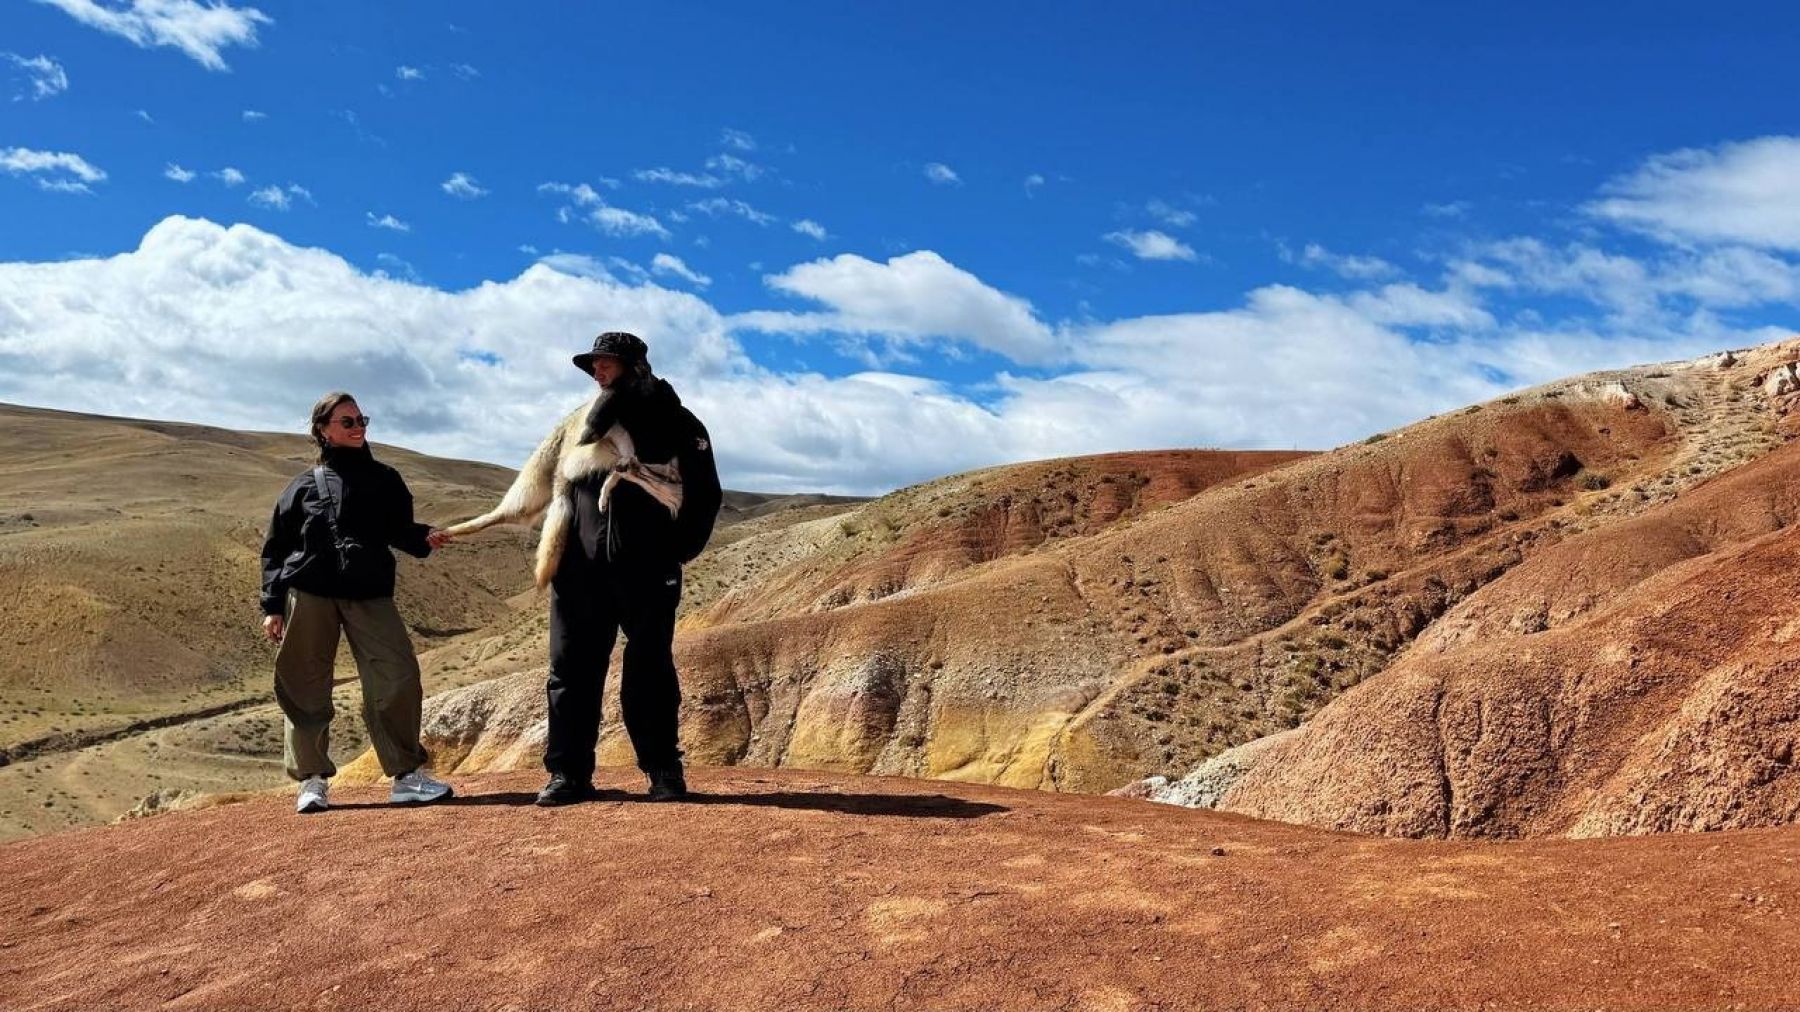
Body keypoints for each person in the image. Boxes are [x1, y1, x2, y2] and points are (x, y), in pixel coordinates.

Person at [439, 331, 721, 805]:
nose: (597, 371)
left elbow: (705, 494)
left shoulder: (679, 423)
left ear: (633, 365)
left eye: (606, 363)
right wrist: (476, 526)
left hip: (648, 569)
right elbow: (537, 485)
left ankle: (662, 771)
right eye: (594, 365)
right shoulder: (576, 426)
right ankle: (568, 774)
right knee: (570, 670)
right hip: (579, 570)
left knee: (650, 667)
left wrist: (674, 552)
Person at [258, 391, 456, 814]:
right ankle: (311, 781)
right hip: (309, 593)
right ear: (323, 430)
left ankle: (406, 776)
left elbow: (398, 530)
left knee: (398, 676)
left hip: (370, 593)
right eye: (347, 421)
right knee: (305, 683)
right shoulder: (302, 487)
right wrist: (272, 605)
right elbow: (276, 549)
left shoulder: (386, 479)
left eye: (361, 419)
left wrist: (424, 537)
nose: (358, 427)